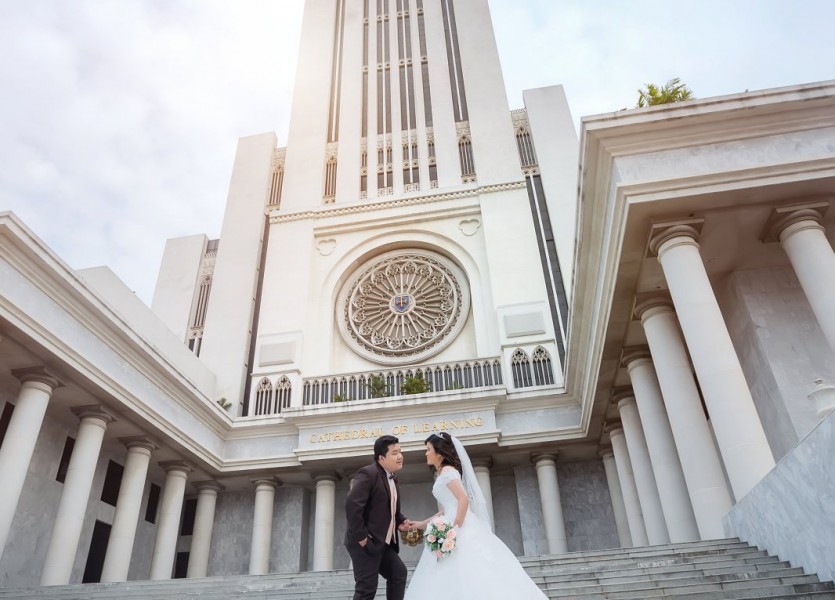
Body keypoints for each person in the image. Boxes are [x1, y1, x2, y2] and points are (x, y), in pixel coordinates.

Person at [403, 432, 548, 599]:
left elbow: (463, 499)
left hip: (458, 525)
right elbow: (446, 508)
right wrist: (422, 524)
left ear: (440, 453)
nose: (426, 453)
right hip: (450, 522)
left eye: (428, 449)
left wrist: (454, 528)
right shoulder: (442, 473)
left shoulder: (448, 471)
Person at [345, 435, 414, 600]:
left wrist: (400, 521)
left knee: (398, 573)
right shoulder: (368, 473)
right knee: (366, 590)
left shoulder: (392, 478)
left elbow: (387, 509)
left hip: (383, 543)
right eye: (394, 453)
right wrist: (362, 537)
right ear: (381, 458)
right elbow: (352, 505)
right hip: (365, 543)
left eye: (400, 451)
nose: (400, 456)